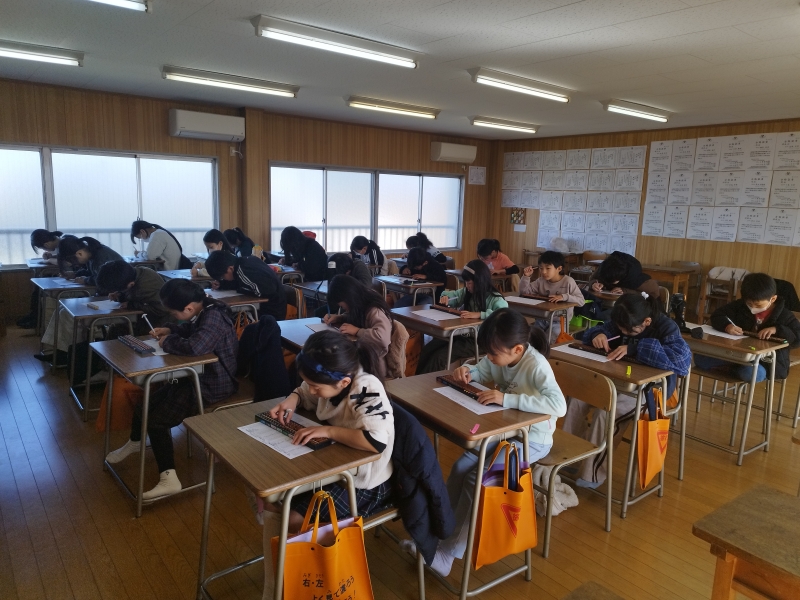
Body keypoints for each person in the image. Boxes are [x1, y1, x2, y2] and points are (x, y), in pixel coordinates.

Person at [402, 308, 565, 576]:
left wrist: (507, 399)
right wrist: (467, 371)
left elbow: (559, 406)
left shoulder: (536, 366)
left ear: (517, 349)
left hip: (533, 439)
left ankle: (448, 554)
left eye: (493, 354)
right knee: (460, 467)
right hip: (506, 431)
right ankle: (438, 533)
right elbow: (482, 369)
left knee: (478, 480)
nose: (489, 357)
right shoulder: (501, 356)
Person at [257, 330, 394, 599]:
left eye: (315, 386)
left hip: (365, 482)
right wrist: (292, 399)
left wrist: (328, 431)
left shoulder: (366, 388)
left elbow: (376, 442)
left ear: (344, 382)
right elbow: (307, 393)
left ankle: (287, 583)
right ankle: (274, 587)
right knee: (273, 501)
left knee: (292, 520)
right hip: (336, 468)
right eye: (308, 383)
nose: (311, 390)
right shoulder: (330, 380)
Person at [105, 279, 238, 499]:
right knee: (145, 404)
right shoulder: (204, 310)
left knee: (156, 420)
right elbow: (192, 330)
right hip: (195, 376)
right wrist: (170, 328)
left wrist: (167, 342)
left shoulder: (214, 317)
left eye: (174, 313)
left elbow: (196, 346)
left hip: (213, 384)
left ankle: (169, 479)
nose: (173, 315)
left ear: (189, 308)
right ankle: (136, 442)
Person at [562, 292, 691, 488]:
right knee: (577, 399)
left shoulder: (666, 327)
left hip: (651, 390)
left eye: (629, 331)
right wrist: (598, 335)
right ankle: (568, 457)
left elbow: (681, 362)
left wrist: (634, 347)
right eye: (620, 329)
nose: (624, 333)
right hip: (618, 380)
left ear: (647, 321)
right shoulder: (623, 319)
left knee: (606, 413)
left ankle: (592, 473)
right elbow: (595, 332)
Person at [694, 273, 800, 382]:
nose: (753, 308)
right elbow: (717, 315)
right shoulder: (741, 306)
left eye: (758, 305)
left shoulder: (784, 315)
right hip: (737, 354)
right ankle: (734, 367)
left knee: (754, 374)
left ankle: (733, 369)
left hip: (764, 362)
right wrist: (727, 326)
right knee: (700, 360)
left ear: (772, 299)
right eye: (749, 303)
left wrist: (777, 329)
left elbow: (798, 338)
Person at [36, 236, 124, 363]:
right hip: (106, 295)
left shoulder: (101, 256)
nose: (76, 265)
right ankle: (62, 352)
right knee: (62, 309)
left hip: (115, 298)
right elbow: (91, 272)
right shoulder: (93, 253)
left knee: (69, 314)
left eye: (75, 262)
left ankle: (72, 355)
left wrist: (85, 280)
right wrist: (76, 274)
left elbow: (102, 280)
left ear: (79, 253)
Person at [416, 260, 508, 374]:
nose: (467, 286)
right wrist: (445, 297)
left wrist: (480, 314)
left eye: (469, 283)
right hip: (463, 335)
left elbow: (504, 314)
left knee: (439, 357)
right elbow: (453, 296)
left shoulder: (495, 298)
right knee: (428, 349)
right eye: (466, 282)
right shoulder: (467, 292)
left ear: (479, 281)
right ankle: (416, 381)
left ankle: (427, 384)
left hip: (481, 341)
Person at [324, 275, 393, 378]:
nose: (343, 308)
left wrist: (357, 331)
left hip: (372, 365)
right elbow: (356, 317)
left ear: (349, 298)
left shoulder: (374, 310)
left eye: (342, 306)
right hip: (360, 356)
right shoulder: (359, 304)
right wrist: (339, 318)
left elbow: (382, 337)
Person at [519, 251, 585, 341]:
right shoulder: (540, 281)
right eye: (541, 268)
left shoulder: (568, 281)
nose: (543, 272)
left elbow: (581, 301)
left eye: (548, 268)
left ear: (559, 268)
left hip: (560, 322)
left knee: (550, 339)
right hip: (542, 319)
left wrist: (564, 297)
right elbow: (524, 291)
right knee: (532, 338)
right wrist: (526, 277)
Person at [205, 250, 287, 321]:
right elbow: (242, 283)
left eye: (222, 277)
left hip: (271, 312)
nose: (223, 279)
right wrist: (222, 284)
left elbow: (265, 291)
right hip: (268, 307)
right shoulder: (244, 261)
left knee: (229, 318)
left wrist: (241, 290)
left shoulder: (243, 271)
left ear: (230, 268)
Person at [96, 259, 172, 332]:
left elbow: (162, 309)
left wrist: (131, 305)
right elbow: (131, 294)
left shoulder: (144, 287)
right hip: (144, 318)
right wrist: (119, 295)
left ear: (131, 284)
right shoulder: (133, 273)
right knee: (116, 328)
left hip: (159, 324)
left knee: (119, 329)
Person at [18, 229, 64, 329]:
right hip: (66, 276)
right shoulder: (62, 242)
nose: (45, 250)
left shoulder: (65, 243)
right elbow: (63, 258)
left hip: (70, 277)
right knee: (39, 286)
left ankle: (36, 317)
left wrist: (50, 260)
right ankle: (35, 315)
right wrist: (52, 256)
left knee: (41, 287)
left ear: (46, 244)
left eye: (42, 248)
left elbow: (68, 262)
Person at [589, 251, 659, 298]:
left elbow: (654, 294)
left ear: (619, 278)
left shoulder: (637, 279)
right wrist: (594, 284)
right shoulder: (605, 267)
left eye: (611, 282)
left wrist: (626, 291)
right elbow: (593, 278)